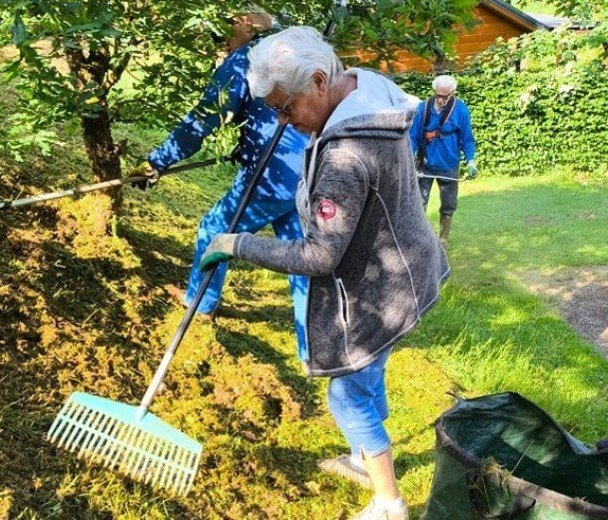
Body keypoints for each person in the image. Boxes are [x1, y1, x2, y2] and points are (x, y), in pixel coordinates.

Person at [198, 27, 450, 520]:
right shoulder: (364, 86)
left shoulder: (344, 156)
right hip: (405, 265)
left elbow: (319, 258)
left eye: (285, 107)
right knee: (367, 367)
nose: (282, 120)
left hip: (387, 283)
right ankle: (365, 455)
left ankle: (389, 502)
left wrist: (237, 243)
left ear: (318, 80)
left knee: (346, 390)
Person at [145, 11, 310, 358]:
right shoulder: (294, 51)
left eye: (222, 32)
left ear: (246, 23)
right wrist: (245, 144)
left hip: (273, 176)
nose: (219, 43)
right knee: (301, 258)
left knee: (215, 231)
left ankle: (200, 305)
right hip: (311, 171)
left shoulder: (246, 61)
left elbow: (203, 120)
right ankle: (313, 346)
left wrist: (157, 161)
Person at [409, 75, 477, 245]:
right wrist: (409, 156)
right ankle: (421, 239)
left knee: (448, 205)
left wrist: (470, 161)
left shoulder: (460, 110)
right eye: (438, 95)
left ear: (453, 93)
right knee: (420, 202)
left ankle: (443, 240)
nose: (440, 99)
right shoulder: (422, 109)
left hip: (449, 165)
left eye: (445, 96)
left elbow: (467, 139)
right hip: (425, 165)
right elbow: (412, 137)